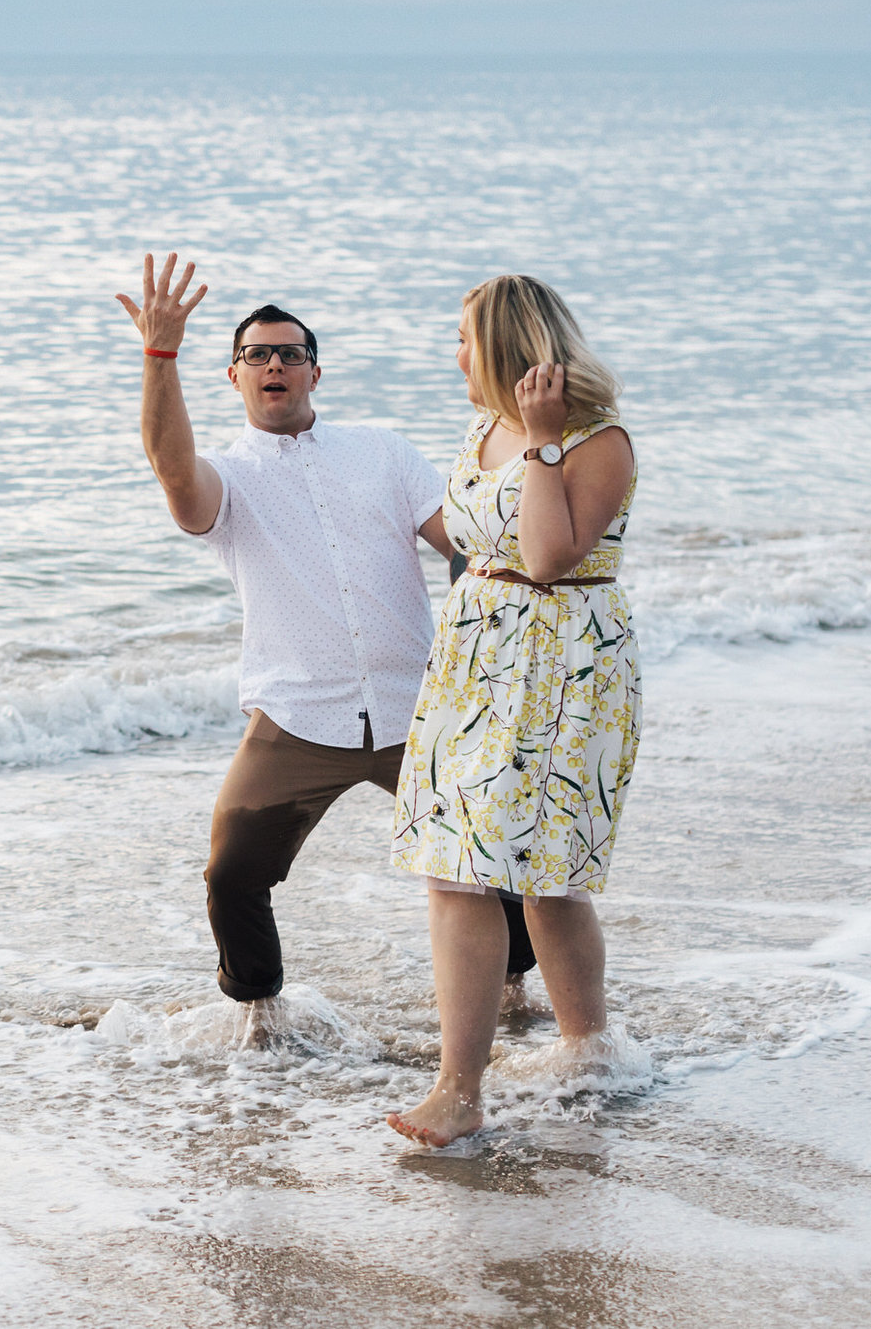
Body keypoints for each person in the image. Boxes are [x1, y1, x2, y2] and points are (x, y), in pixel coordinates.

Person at [114, 253, 534, 1042]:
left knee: (487, 856)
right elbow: (174, 473)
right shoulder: (230, 479)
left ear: (316, 372)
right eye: (256, 355)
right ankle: (260, 1016)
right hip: (297, 716)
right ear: (233, 377)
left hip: (419, 707)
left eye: (291, 353)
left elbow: (463, 540)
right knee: (233, 871)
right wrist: (158, 355)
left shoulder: (382, 451)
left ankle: (514, 992)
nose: (275, 364)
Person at [385, 274, 641, 1148]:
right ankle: (571, 1061)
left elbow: (544, 556)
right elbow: (467, 546)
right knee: (458, 863)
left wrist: (539, 442)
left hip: (562, 673)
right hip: (475, 666)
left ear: (505, 346)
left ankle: (507, 1077)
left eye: (463, 338)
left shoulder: (596, 442)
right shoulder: (481, 431)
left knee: (540, 874)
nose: (453, 354)